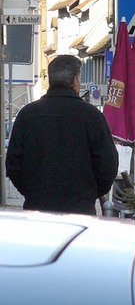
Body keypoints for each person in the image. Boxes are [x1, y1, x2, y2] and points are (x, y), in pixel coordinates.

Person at [6, 54, 118, 215]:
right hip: (80, 210)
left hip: (37, 209)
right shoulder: (92, 116)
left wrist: (31, 192)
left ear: (51, 80)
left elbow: (13, 163)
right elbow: (108, 165)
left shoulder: (27, 115)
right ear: (75, 81)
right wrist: (90, 194)